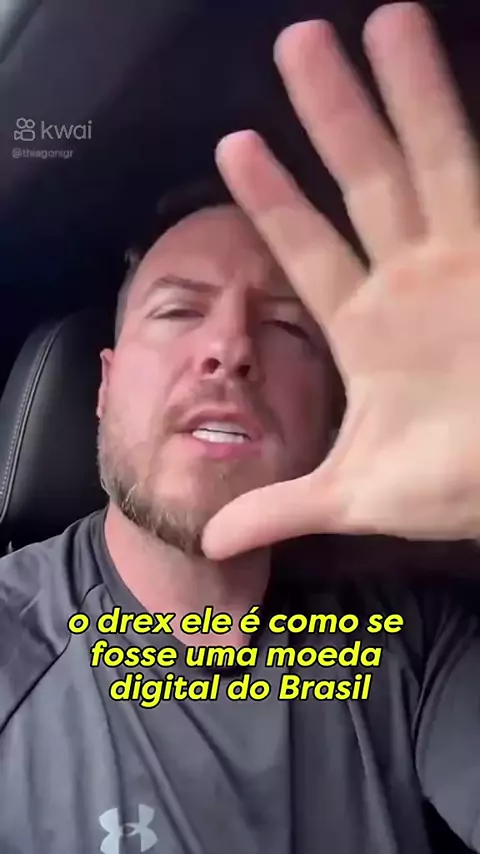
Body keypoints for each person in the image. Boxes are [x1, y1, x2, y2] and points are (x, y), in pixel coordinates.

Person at [1, 3, 480, 852]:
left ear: (331, 413)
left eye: (288, 326)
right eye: (179, 311)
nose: (229, 348)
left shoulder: (410, 641)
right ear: (104, 387)